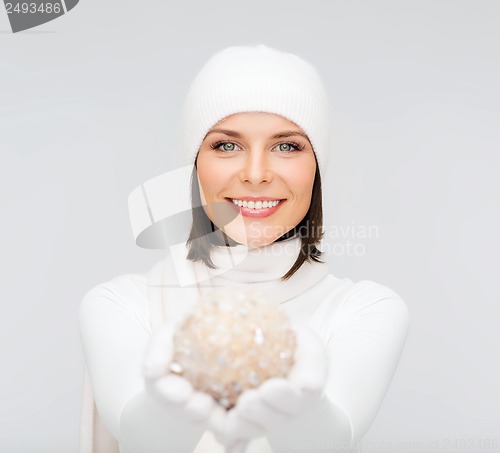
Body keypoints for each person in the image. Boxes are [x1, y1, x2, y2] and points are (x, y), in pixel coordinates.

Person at [78, 44, 410, 453]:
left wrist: (302, 409)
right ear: (194, 162)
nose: (255, 175)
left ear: (317, 167)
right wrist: (170, 402)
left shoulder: (366, 308)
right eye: (226, 145)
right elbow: (138, 433)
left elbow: (333, 437)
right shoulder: (122, 304)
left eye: (286, 146)